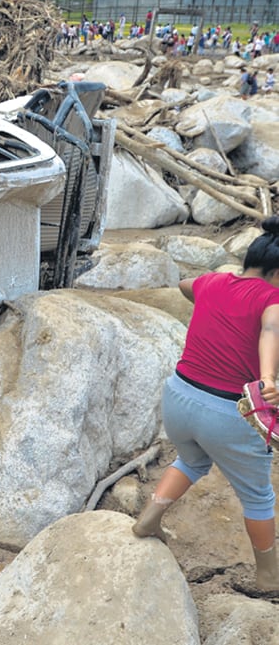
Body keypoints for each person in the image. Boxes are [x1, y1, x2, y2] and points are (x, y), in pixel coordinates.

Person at [132, 216, 279, 593]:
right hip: (228, 413)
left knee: (191, 460)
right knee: (259, 496)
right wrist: (267, 380)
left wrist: (209, 298)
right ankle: (269, 578)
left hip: (179, 397)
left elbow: (185, 285)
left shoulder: (213, 282)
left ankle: (149, 519)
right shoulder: (273, 299)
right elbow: (271, 329)